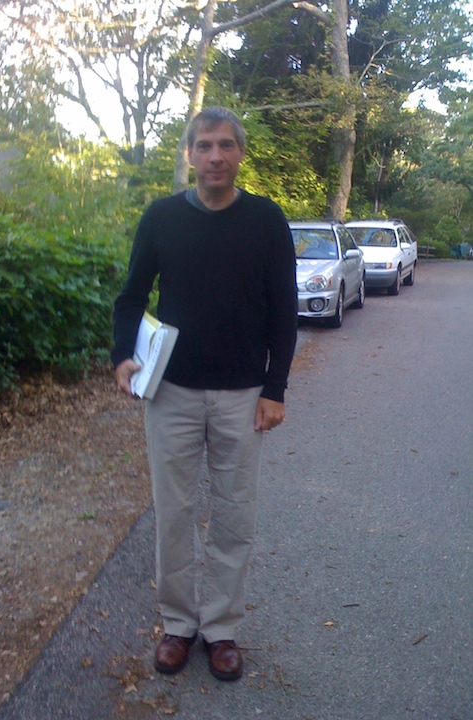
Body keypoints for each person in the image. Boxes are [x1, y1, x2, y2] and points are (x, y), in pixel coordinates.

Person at [112, 106, 297, 682]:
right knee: (174, 513)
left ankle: (221, 629)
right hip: (172, 393)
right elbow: (131, 296)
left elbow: (284, 309)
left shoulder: (266, 220)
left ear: (240, 153)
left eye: (225, 145)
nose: (215, 156)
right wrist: (122, 356)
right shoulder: (162, 217)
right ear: (190, 154)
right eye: (204, 146)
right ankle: (177, 624)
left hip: (243, 395)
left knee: (234, 516)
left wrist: (275, 387)